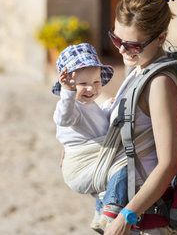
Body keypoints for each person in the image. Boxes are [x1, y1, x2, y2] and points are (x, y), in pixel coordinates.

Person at [101, 0, 177, 235]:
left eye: (133, 45)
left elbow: (169, 163)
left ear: (160, 37)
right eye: (116, 39)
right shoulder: (139, 69)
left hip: (146, 222)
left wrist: (127, 216)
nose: (122, 50)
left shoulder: (160, 84)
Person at [51, 43, 129, 232]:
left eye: (96, 82)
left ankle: (99, 212)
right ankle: (111, 212)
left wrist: (108, 108)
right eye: (82, 84)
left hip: (96, 158)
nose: (90, 89)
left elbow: (99, 124)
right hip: (82, 163)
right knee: (124, 167)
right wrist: (67, 93)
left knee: (109, 174)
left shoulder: (90, 105)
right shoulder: (70, 107)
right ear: (68, 84)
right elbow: (64, 118)